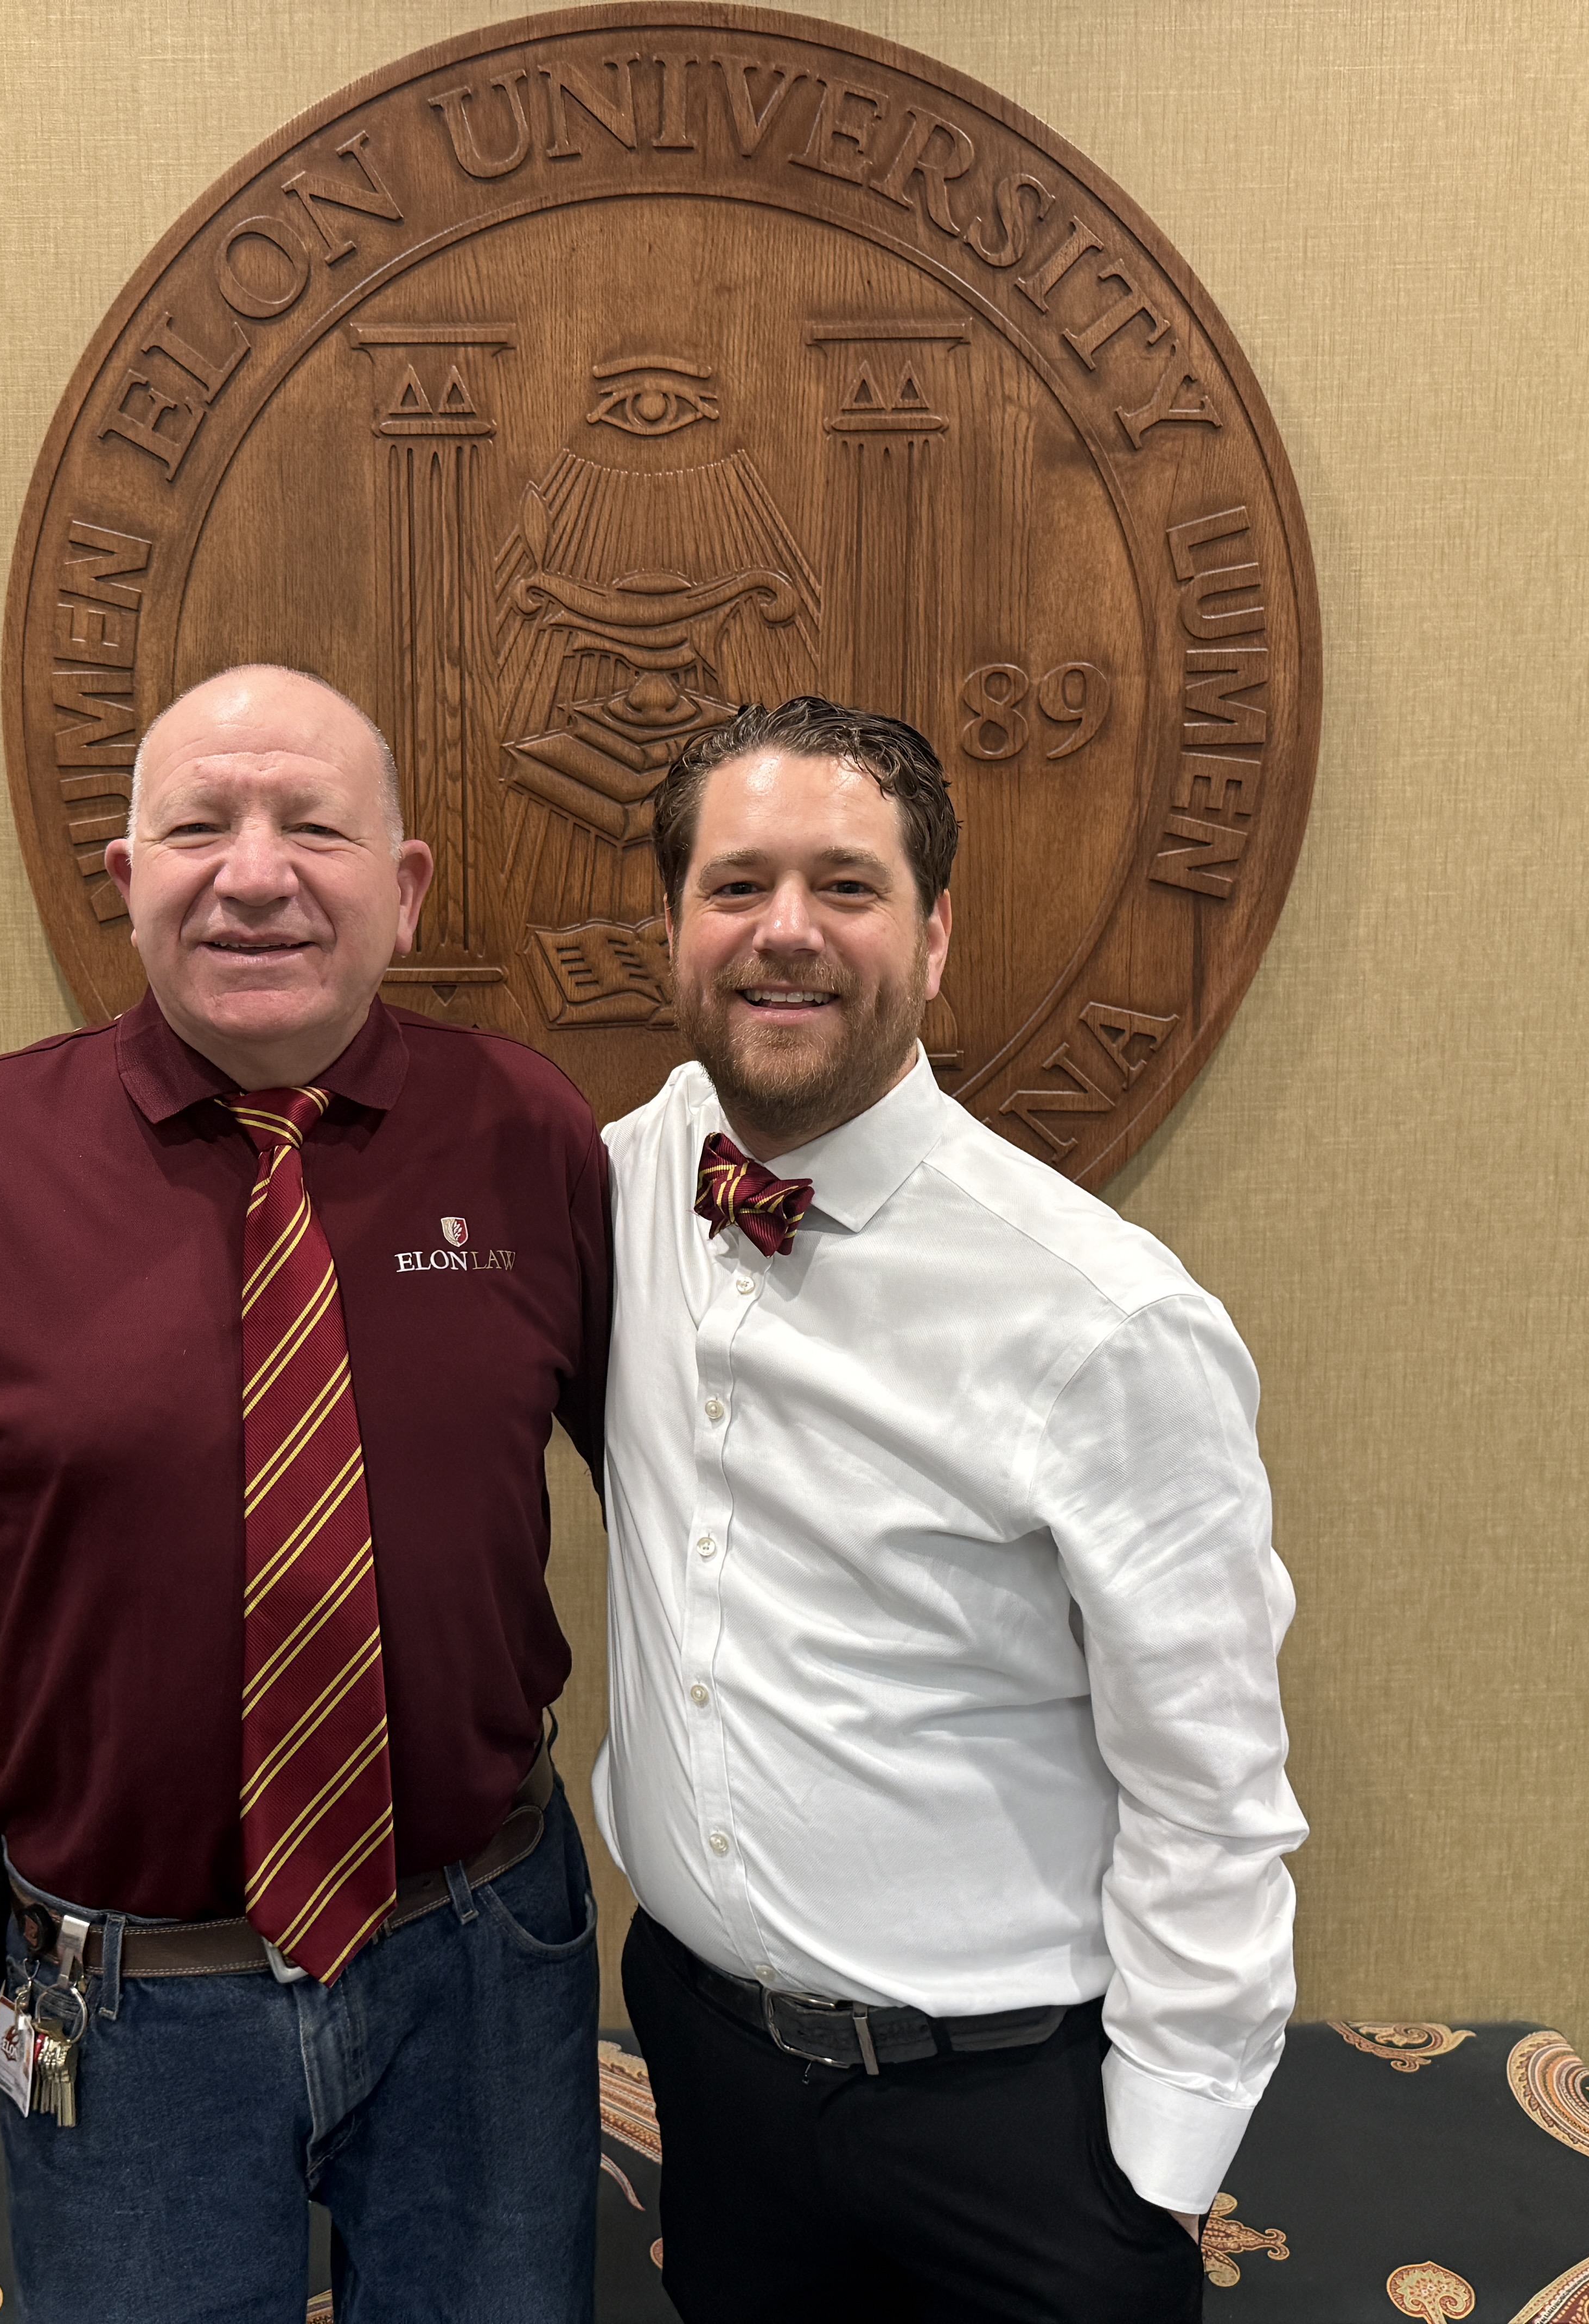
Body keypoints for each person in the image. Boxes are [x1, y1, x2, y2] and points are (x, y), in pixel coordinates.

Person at [0, 665, 611, 2324]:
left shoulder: (529, 1134)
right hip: (129, 2007)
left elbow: (692, 1492)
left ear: (406, 883)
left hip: (482, 1966)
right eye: (200, 826)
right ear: (126, 876)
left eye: (314, 826)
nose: (256, 871)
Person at [595, 694, 1304, 2323]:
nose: (786, 932)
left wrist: (1149, 2187)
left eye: (846, 885)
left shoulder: (1103, 1318)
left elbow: (1215, 1786)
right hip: (707, 2068)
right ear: (674, 931)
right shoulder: (622, 1180)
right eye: (736, 885)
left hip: (1013, 2122)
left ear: (935, 942)